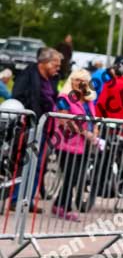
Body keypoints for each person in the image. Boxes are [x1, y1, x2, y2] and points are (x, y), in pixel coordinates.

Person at [10, 47, 62, 213]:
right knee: (24, 163)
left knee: (38, 165)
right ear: (44, 63)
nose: (58, 67)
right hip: (28, 127)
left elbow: (54, 97)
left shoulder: (52, 79)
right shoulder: (28, 75)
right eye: (55, 63)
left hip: (45, 128)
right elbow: (17, 95)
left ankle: (28, 200)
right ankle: (16, 199)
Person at [52, 69, 99, 222]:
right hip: (66, 144)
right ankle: (65, 208)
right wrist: (85, 133)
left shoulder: (88, 100)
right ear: (71, 81)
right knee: (71, 176)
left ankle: (59, 204)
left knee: (74, 177)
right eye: (77, 80)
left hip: (85, 145)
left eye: (84, 81)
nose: (80, 83)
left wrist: (95, 134)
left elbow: (94, 119)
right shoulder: (63, 98)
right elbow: (64, 121)